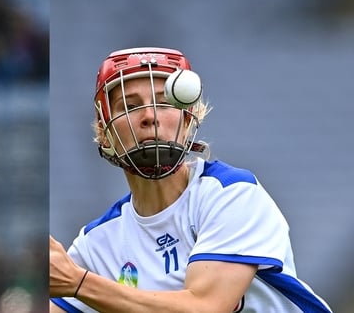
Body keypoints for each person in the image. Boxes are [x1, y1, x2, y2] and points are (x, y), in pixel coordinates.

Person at [49, 47, 332, 312]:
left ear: (188, 119)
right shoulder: (96, 245)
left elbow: (206, 306)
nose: (149, 116)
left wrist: (80, 284)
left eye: (164, 102)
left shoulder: (232, 194)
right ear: (104, 130)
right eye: (130, 106)